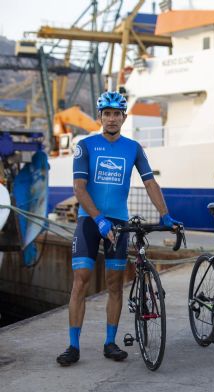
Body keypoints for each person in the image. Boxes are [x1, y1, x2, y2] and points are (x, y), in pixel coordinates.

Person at [56, 91, 181, 366]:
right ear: (100, 116)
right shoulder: (86, 146)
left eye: (117, 114)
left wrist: (166, 215)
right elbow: (79, 188)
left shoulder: (133, 148)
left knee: (114, 284)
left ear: (124, 117)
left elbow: (150, 182)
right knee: (81, 280)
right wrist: (99, 219)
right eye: (107, 113)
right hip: (90, 220)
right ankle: (73, 346)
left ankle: (110, 343)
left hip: (119, 223)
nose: (112, 118)